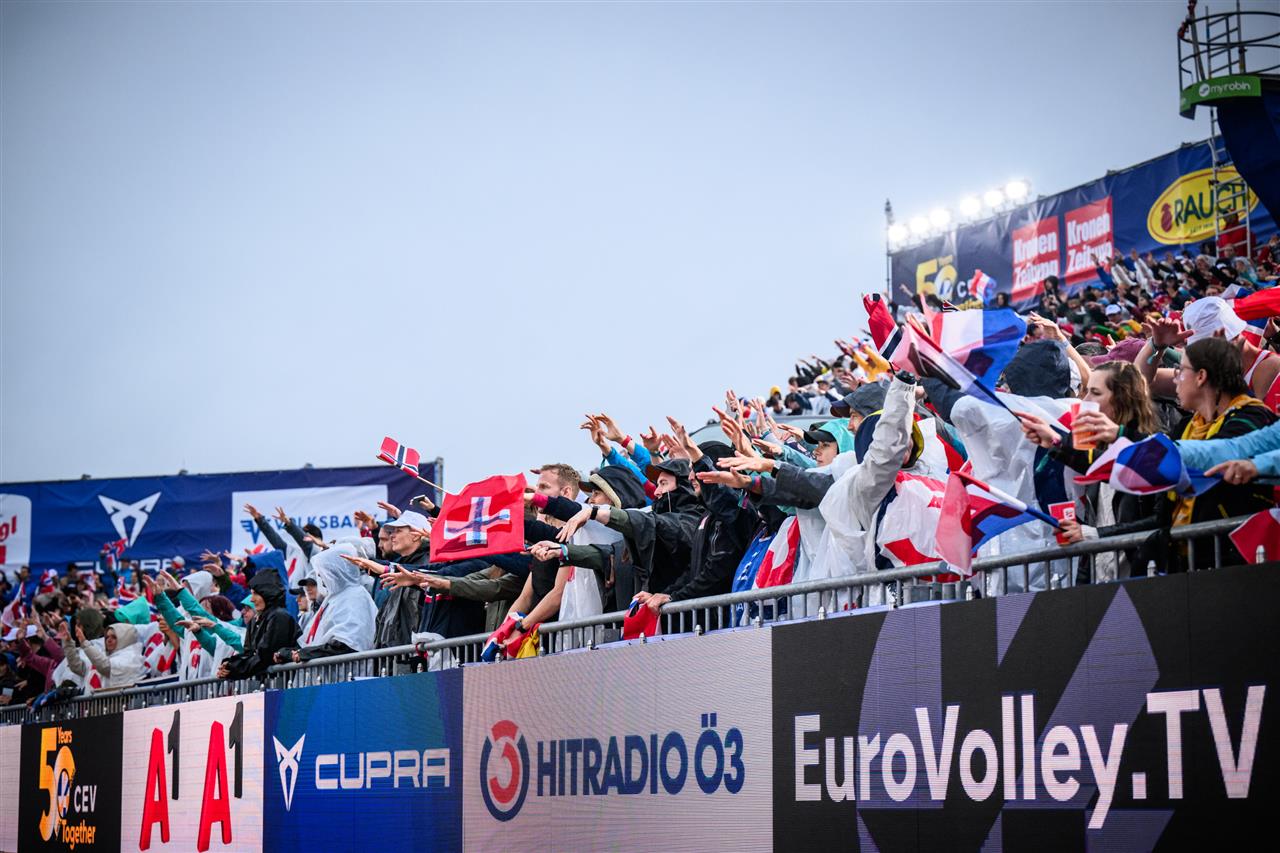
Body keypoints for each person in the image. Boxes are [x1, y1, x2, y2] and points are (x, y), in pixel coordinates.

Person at [1017, 361, 1161, 580]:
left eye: (1095, 393)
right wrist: (1078, 530)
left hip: (1144, 582)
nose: (1085, 401)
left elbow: (1159, 521)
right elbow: (1102, 519)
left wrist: (1092, 534)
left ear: (1122, 399)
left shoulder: (1153, 449)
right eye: (1086, 391)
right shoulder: (1098, 453)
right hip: (1102, 583)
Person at [283, 544, 376, 662]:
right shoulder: (332, 599)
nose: (320, 576)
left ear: (335, 571)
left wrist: (306, 653)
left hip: (349, 671)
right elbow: (312, 640)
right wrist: (288, 653)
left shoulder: (355, 596)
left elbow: (347, 644)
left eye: (323, 572)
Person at [217, 569, 299, 679]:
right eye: (251, 593)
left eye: (255, 594)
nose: (251, 599)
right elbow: (249, 653)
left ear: (268, 593)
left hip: (283, 683)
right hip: (266, 682)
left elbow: (266, 655)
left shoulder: (279, 617)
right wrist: (230, 664)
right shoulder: (255, 620)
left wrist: (234, 668)